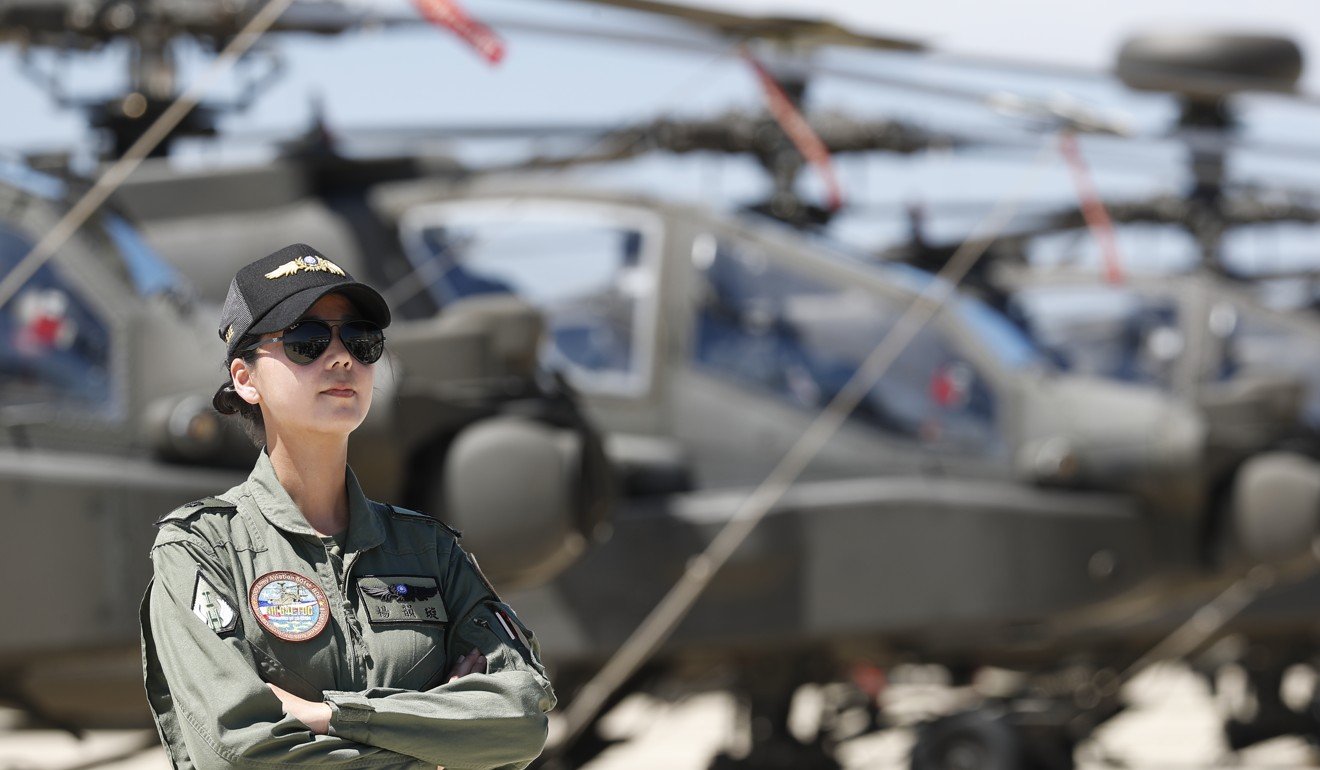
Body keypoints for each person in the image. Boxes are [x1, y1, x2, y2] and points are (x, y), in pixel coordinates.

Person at [140, 244, 555, 769]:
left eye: (361, 341)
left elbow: (520, 720)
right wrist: (439, 740)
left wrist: (329, 715)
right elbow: (239, 752)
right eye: (307, 342)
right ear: (245, 380)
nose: (342, 358)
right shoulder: (201, 551)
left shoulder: (429, 550)